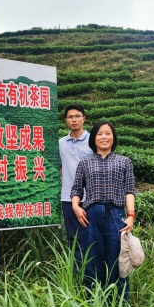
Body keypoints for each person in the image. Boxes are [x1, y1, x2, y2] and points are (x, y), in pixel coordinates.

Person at [70, 120, 136, 299]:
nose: (104, 137)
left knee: (118, 261)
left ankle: (119, 306)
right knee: (92, 260)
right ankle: (93, 303)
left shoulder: (124, 162)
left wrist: (131, 215)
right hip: (91, 215)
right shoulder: (85, 163)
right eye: (99, 134)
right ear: (94, 138)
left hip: (116, 214)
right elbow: (76, 189)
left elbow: (129, 190)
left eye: (108, 133)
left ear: (113, 137)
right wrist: (76, 206)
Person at [59, 104, 93, 260]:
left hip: (91, 197)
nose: (74, 120)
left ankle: (93, 271)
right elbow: (60, 167)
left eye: (77, 116)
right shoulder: (61, 143)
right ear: (66, 121)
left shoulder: (93, 140)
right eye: (70, 117)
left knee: (92, 236)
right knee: (73, 238)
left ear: (84, 119)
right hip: (68, 198)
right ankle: (77, 271)